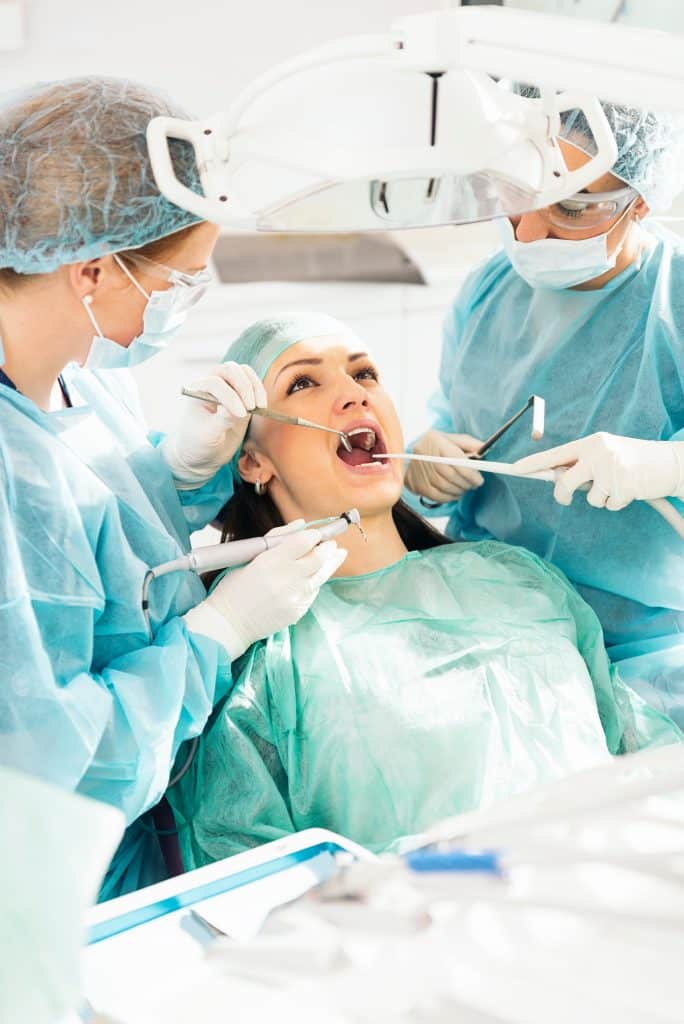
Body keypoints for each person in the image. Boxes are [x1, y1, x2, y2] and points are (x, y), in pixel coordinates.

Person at [167, 314, 680, 869]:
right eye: (304, 382)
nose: (352, 395)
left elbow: (643, 763)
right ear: (252, 461)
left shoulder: (520, 582)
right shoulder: (260, 653)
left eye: (364, 374)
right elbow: (246, 881)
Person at [0, 78, 344, 899]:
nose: (190, 296)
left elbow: (103, 536)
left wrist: (179, 474)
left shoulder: (80, 373)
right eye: (181, 277)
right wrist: (219, 634)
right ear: (91, 270)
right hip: (53, 886)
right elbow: (48, 768)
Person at [406, 98, 684, 728]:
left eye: (570, 207)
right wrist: (427, 460)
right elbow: (453, 410)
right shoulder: (487, 289)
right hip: (487, 624)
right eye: (518, 196)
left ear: (640, 201)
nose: (528, 233)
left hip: (639, 660)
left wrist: (668, 466)